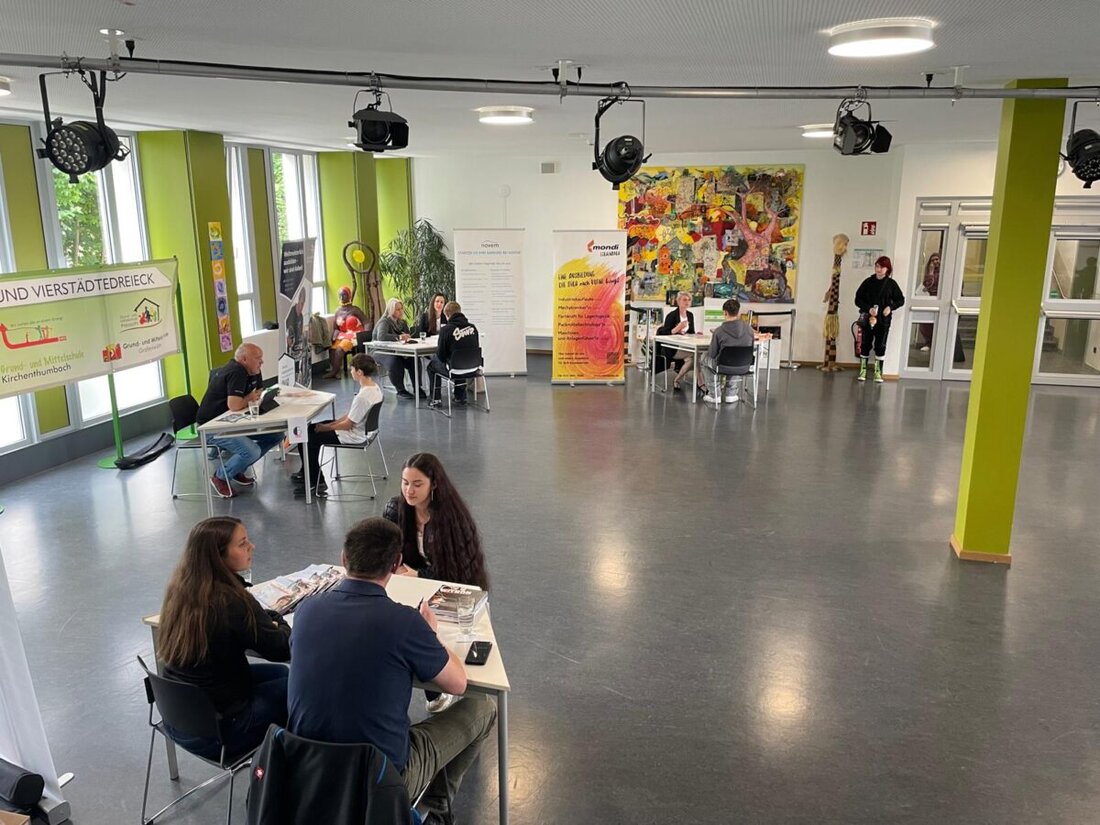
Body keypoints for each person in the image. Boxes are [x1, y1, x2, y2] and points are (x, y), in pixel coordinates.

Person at [287, 518, 497, 825]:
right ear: (396, 563)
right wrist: (431, 634)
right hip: (378, 778)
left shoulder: (306, 610)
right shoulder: (404, 623)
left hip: (308, 768)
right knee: (484, 707)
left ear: (344, 559)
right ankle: (434, 811)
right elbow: (457, 683)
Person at [158, 517, 291, 760]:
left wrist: (266, 618)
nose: (252, 546)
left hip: (177, 715)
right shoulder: (229, 601)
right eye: (242, 544)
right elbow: (282, 648)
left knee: (284, 675)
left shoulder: (182, 588)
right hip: (220, 732)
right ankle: (289, 773)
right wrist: (280, 622)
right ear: (219, 556)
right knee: (299, 688)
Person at [382, 452, 489, 589]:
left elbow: (457, 569)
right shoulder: (394, 510)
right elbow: (385, 552)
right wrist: (398, 568)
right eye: (405, 483)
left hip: (449, 587)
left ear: (433, 485)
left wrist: (419, 575)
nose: (409, 490)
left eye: (417, 484)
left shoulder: (454, 519)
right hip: (409, 583)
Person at [196, 343, 282, 499]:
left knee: (277, 435)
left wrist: (249, 398)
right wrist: (249, 398)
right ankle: (220, 476)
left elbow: (259, 392)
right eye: (258, 359)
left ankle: (236, 468)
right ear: (244, 359)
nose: (261, 362)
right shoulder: (236, 371)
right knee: (252, 451)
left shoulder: (253, 369)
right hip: (210, 426)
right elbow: (235, 405)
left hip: (231, 421)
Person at [292, 353, 383, 497]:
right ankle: (307, 472)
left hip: (354, 435)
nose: (351, 371)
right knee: (310, 429)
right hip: (364, 430)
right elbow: (351, 416)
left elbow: (348, 424)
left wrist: (326, 427)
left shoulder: (362, 397)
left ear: (359, 372)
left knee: (309, 438)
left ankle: (316, 481)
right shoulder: (374, 388)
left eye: (352, 369)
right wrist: (331, 423)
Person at [854, 255, 906, 383]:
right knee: (865, 344)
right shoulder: (868, 282)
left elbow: (901, 299)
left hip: (883, 321)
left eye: (882, 267)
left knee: (880, 345)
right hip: (867, 319)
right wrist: (868, 308)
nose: (879, 269)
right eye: (877, 266)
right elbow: (857, 299)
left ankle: (878, 372)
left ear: (887, 269)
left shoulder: (891, 284)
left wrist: (890, 307)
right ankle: (863, 370)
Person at [698, 298, 757, 404]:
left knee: (704, 357)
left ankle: (714, 394)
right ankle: (731, 393)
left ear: (725, 312)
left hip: (723, 365)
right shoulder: (749, 329)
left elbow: (712, 354)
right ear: (738, 312)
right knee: (735, 358)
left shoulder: (719, 331)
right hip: (744, 366)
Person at [427, 301, 480, 408]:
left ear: (447, 315)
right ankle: (460, 397)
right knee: (461, 360)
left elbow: (441, 355)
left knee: (432, 365)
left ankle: (436, 399)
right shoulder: (473, 328)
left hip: (455, 370)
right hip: (474, 368)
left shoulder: (446, 330)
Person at [373, 297, 419, 400]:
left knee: (414, 359)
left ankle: (417, 387)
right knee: (395, 361)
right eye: (398, 309)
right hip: (379, 351)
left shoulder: (402, 322)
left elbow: (407, 335)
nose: (401, 311)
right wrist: (399, 337)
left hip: (396, 350)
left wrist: (406, 336)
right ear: (391, 310)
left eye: (401, 309)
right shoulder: (384, 321)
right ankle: (400, 390)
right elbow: (382, 336)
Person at [323, 285, 369, 379]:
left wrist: (365, 335)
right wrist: (334, 336)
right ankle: (336, 370)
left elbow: (366, 322)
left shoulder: (355, 309)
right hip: (342, 335)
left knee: (340, 349)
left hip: (354, 335)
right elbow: (336, 328)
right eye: (340, 295)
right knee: (332, 349)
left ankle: (334, 372)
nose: (342, 297)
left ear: (349, 296)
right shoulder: (338, 311)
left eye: (344, 295)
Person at [657, 291, 697, 391]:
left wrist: (696, 334)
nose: (687, 302)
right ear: (678, 301)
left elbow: (691, 332)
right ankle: (700, 384)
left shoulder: (690, 315)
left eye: (689, 300)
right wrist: (677, 328)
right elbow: (665, 333)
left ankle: (677, 379)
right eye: (684, 300)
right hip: (671, 348)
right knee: (695, 355)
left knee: (696, 358)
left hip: (685, 345)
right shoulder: (671, 315)